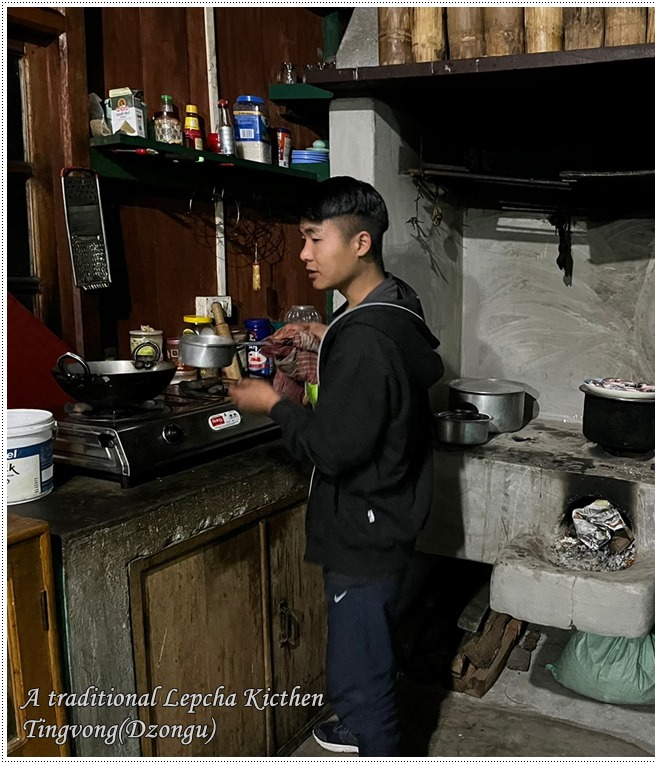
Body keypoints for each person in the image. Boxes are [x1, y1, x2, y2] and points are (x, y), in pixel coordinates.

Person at [230, 176, 444, 757]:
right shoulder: (395, 306)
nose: (303, 254)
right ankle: (355, 723)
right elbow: (383, 358)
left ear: (360, 243)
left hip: (362, 528)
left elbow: (334, 449)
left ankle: (372, 736)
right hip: (395, 515)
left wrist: (270, 403)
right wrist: (328, 337)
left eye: (313, 239)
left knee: (359, 672)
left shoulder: (363, 340)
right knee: (371, 642)